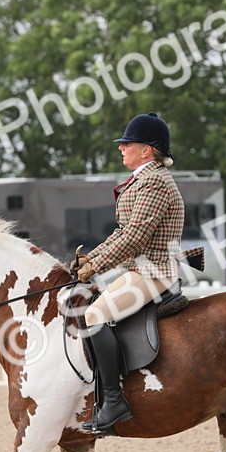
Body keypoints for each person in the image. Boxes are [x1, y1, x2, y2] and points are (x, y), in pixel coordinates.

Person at [74, 112, 184, 434]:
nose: (121, 148)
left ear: (146, 150)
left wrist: (96, 266)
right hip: (139, 269)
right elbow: (122, 232)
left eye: (127, 144)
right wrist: (89, 258)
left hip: (153, 272)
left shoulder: (155, 181)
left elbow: (135, 236)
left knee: (94, 315)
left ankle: (113, 401)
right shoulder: (144, 179)